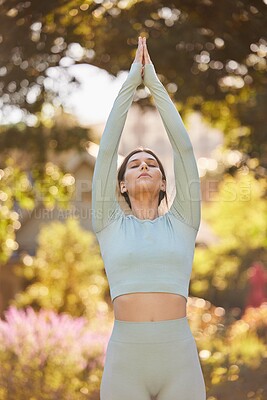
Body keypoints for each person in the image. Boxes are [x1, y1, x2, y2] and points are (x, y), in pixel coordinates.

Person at [91, 36, 206, 400]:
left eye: (152, 164)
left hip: (179, 361)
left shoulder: (184, 222)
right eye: (135, 164)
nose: (144, 166)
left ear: (162, 181)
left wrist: (153, 84)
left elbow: (183, 148)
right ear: (121, 184)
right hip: (126, 363)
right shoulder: (108, 223)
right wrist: (130, 83)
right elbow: (108, 150)